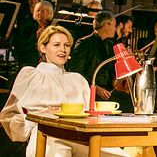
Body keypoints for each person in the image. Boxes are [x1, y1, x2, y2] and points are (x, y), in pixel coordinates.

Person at [1, 25, 127, 157]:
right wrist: (34, 122)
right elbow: (9, 115)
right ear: (43, 48)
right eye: (56, 45)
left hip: (79, 137)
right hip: (47, 136)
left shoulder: (77, 80)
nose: (63, 50)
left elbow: (90, 115)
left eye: (67, 45)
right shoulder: (29, 75)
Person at [67, 11, 132, 113]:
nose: (115, 29)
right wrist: (95, 88)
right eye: (114, 26)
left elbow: (113, 72)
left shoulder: (110, 45)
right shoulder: (84, 43)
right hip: (90, 90)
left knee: (129, 100)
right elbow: (76, 72)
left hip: (107, 90)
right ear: (106, 25)